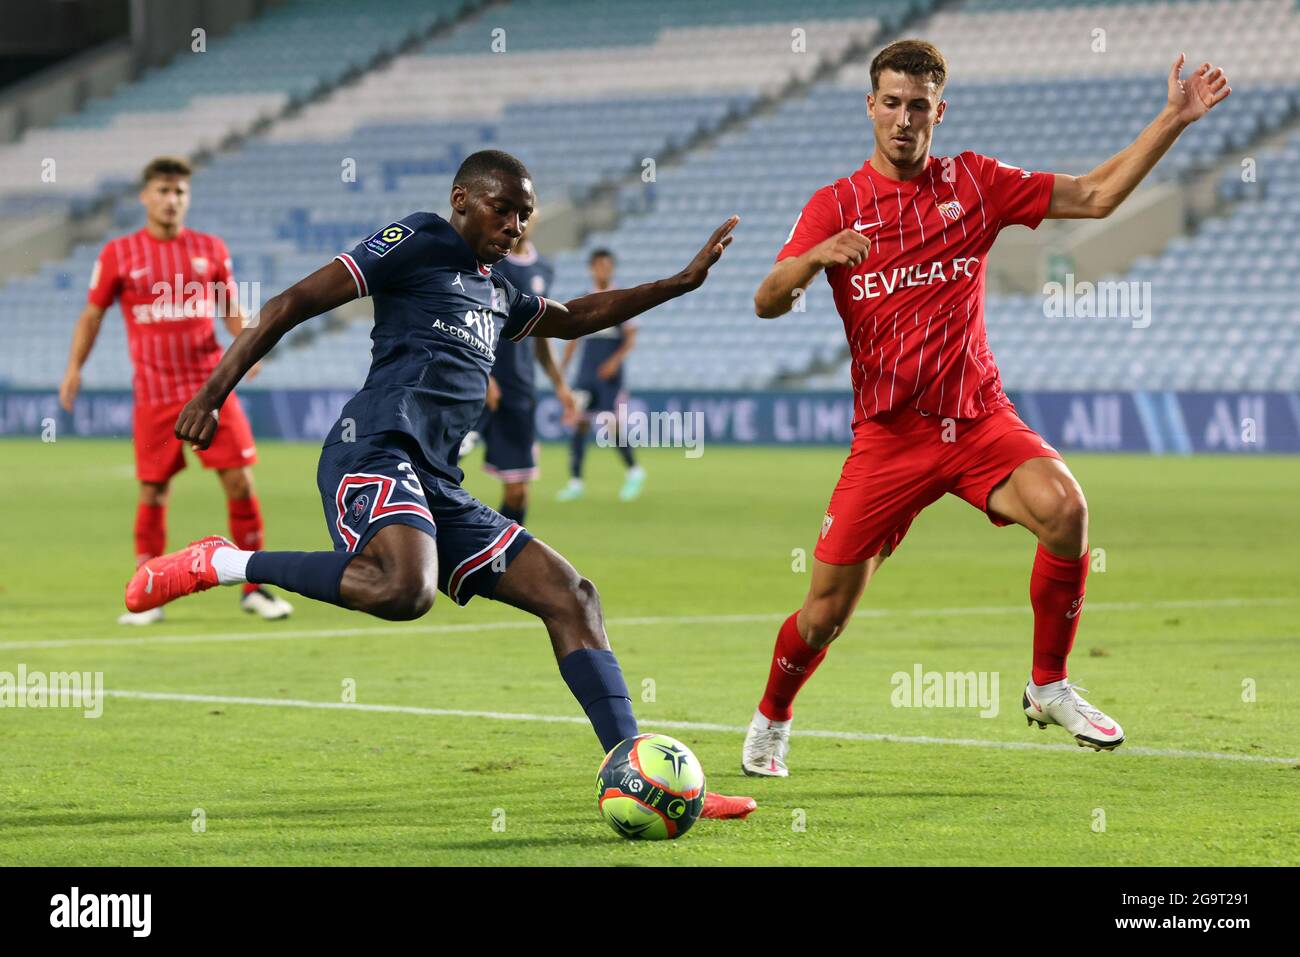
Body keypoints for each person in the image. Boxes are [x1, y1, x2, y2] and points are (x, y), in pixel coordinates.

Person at [124, 150, 754, 819]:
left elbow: (573, 315)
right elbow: (292, 302)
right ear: (462, 198)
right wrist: (213, 393)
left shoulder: (499, 292)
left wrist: (679, 283)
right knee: (405, 588)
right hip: (371, 447)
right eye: (502, 207)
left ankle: (640, 770)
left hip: (433, 479)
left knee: (573, 597)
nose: (514, 224)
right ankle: (223, 561)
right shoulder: (419, 241)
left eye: (525, 214)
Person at [741, 40, 1231, 776]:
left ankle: (1049, 683)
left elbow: (1096, 196)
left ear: (940, 109)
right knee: (823, 616)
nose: (905, 119)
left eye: (919, 106)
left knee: (1066, 511)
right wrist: (814, 258)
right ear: (870, 107)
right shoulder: (834, 205)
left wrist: (1174, 119)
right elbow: (767, 301)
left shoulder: (975, 181)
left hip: (977, 420)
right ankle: (771, 719)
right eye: (892, 103)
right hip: (889, 438)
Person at [60, 155, 292, 625]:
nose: (172, 200)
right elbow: (92, 314)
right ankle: (151, 591)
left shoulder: (209, 248)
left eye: (180, 192)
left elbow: (230, 305)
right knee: (153, 491)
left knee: (240, 480)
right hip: (153, 394)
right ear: (145, 196)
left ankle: (254, 588)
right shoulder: (117, 254)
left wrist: (247, 351)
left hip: (210, 391)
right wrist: (73, 368)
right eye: (164, 191)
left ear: (188, 198)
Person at [461, 220, 578, 524]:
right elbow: (463, 320)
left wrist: (560, 385)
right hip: (473, 386)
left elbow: (539, 334)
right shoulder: (485, 263)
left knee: (518, 494)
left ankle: (500, 563)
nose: (518, 221)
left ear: (535, 216)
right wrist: (483, 374)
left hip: (518, 391)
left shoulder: (543, 269)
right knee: (432, 474)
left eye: (526, 212)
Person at [555, 249, 644, 503]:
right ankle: (575, 481)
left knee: (611, 425)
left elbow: (630, 339)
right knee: (579, 423)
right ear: (591, 269)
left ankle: (634, 471)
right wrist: (562, 369)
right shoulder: (583, 300)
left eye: (607, 266)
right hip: (586, 372)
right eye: (599, 266)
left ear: (612, 268)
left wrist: (615, 361)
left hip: (609, 374)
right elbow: (573, 337)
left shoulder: (623, 299)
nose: (603, 270)